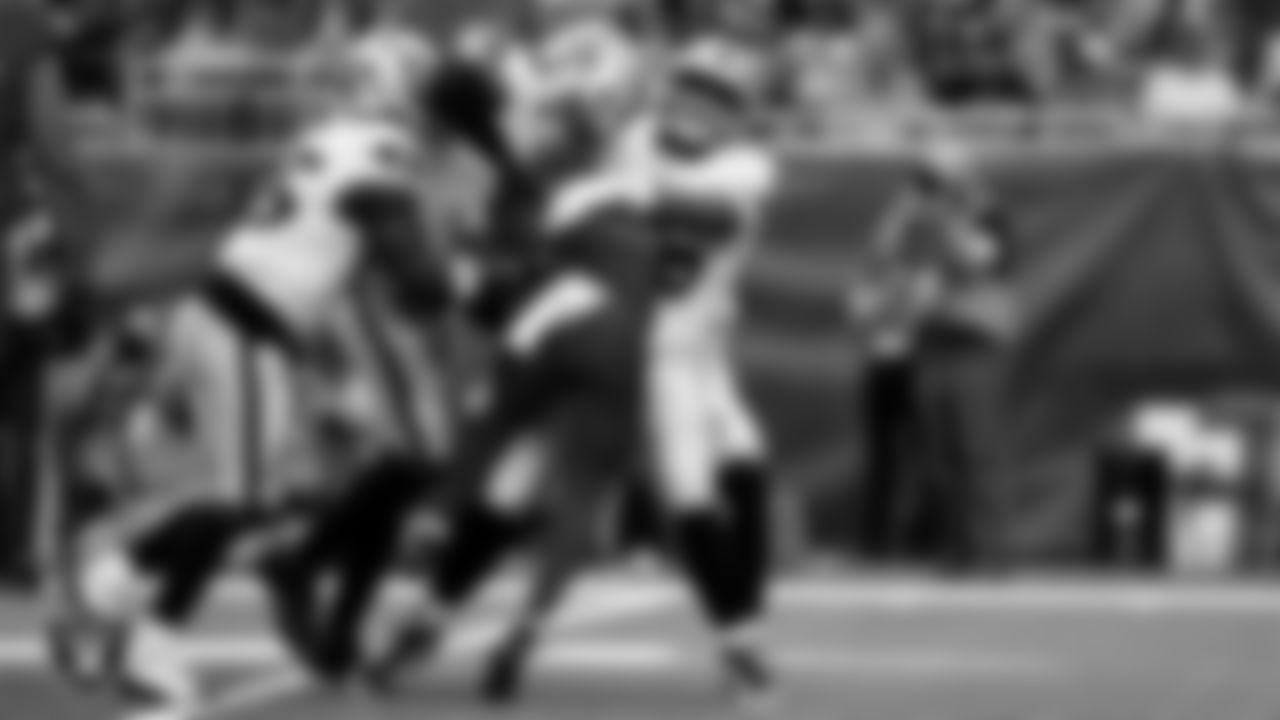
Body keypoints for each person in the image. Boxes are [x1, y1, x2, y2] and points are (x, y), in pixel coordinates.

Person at [60, 61, 450, 720]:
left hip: (229, 310)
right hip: (244, 323)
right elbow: (420, 280)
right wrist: (444, 274)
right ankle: (152, 660)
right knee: (234, 502)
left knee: (245, 501)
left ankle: (111, 588)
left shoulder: (320, 141)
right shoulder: (381, 161)